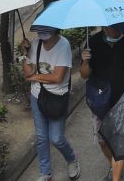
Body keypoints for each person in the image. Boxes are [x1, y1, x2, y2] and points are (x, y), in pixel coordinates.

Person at [22, 25, 79, 181]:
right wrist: (25, 54)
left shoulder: (64, 45)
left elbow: (57, 77)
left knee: (56, 138)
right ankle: (45, 173)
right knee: (41, 137)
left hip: (57, 96)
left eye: (45, 29)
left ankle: (72, 158)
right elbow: (28, 73)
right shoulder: (35, 43)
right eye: (39, 29)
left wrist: (35, 77)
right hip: (37, 95)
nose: (41, 33)